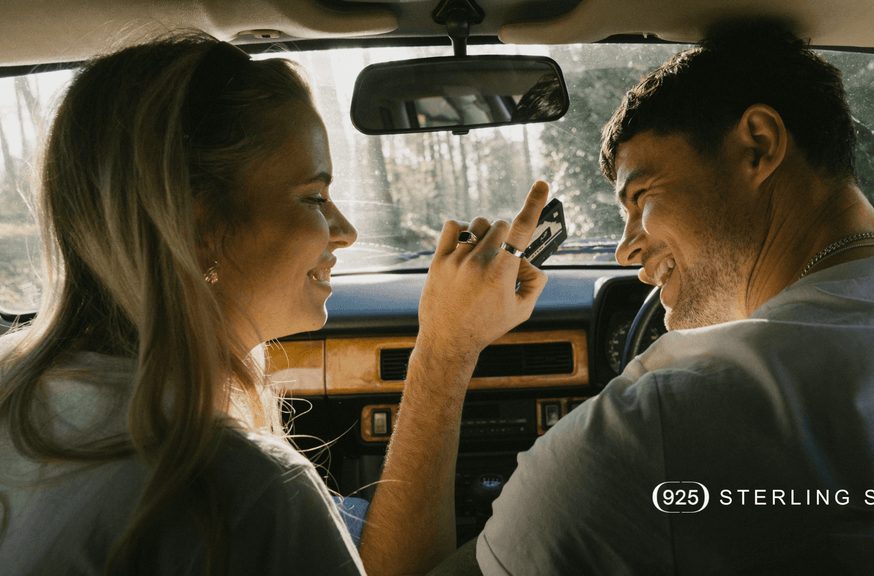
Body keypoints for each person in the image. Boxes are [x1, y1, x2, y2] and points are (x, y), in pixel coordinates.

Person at [415, 23, 874, 575]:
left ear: (757, 144)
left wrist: (443, 347)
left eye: (639, 196)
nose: (626, 251)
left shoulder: (656, 424)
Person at [0, 33, 549, 576]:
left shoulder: (17, 388)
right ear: (196, 229)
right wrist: (446, 354)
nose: (347, 232)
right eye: (313, 197)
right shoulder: (238, 485)